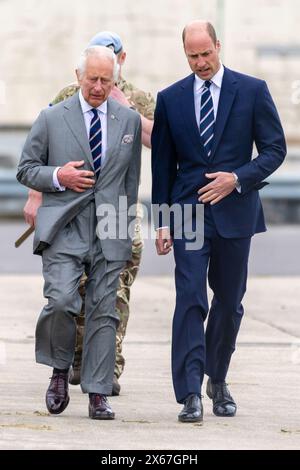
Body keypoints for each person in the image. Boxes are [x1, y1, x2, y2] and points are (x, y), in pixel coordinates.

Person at [151, 20, 286, 423]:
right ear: (185, 54)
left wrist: (237, 179)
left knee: (229, 302)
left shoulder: (252, 90)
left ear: (218, 46)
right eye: (192, 56)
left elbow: (274, 149)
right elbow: (161, 167)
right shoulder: (170, 99)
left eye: (206, 53)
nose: (200, 63)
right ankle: (190, 392)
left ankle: (218, 378)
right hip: (187, 211)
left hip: (236, 211)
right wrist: (162, 221)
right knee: (190, 298)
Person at [23, 31, 155, 395]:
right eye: (92, 77)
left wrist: (126, 108)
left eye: (106, 75)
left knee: (111, 301)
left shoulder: (135, 101)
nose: (99, 85)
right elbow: (39, 152)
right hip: (69, 218)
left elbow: (157, 146)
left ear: (120, 62)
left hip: (115, 218)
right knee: (66, 299)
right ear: (81, 72)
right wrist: (39, 192)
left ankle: (105, 374)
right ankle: (65, 365)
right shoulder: (64, 100)